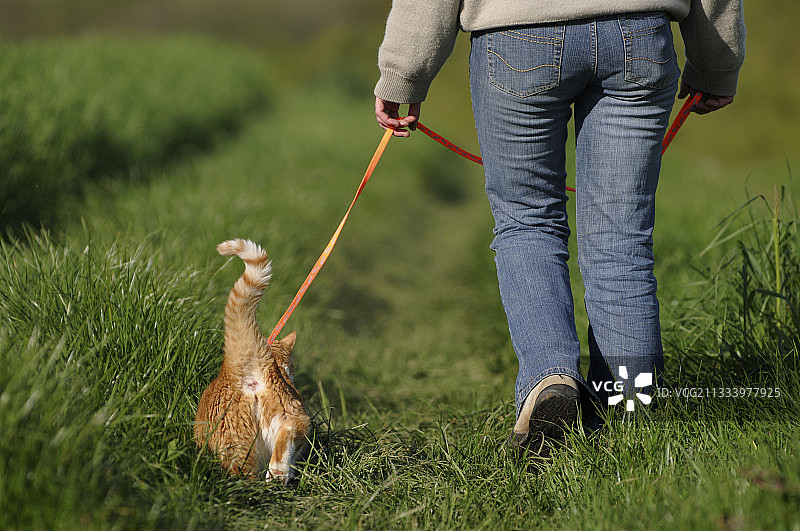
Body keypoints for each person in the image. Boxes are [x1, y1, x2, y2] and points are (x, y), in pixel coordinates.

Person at [373, 1, 745, 451]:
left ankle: (550, 379)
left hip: (517, 35)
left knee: (528, 221)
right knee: (622, 241)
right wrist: (716, 62)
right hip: (638, 33)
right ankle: (631, 417)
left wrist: (405, 72)